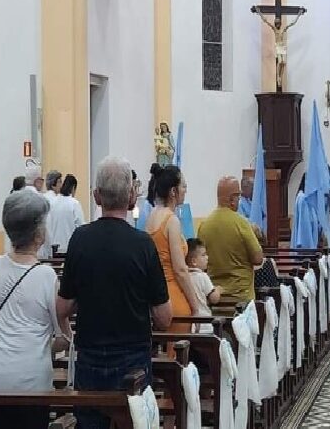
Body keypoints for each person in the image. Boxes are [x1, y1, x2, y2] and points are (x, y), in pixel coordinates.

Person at [56, 156, 172, 429]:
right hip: (133, 361)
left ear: (96, 196)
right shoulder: (143, 245)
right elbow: (164, 317)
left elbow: (62, 308)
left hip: (90, 357)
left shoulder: (80, 239)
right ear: (131, 195)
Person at [0, 190, 72, 429]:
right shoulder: (47, 276)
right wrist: (40, 346)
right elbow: (64, 337)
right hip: (30, 382)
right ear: (38, 233)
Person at [145, 164, 198, 333]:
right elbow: (180, 270)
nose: (185, 190)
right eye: (183, 186)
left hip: (155, 295)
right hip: (173, 296)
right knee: (179, 355)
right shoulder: (171, 220)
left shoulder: (151, 217)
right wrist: (195, 307)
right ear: (173, 191)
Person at [198, 176, 264, 301]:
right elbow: (258, 259)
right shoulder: (241, 223)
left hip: (215, 298)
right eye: (238, 197)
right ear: (232, 199)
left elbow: (200, 263)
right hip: (241, 298)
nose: (239, 200)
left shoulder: (204, 225)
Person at [185, 238, 221, 333]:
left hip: (189, 324)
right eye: (203, 255)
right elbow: (214, 298)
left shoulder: (185, 277)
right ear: (194, 261)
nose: (207, 257)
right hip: (205, 323)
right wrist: (218, 290)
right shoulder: (202, 276)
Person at [46, 174, 85, 254]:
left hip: (53, 248)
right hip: (69, 247)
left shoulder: (53, 202)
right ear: (73, 188)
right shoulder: (74, 203)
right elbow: (81, 226)